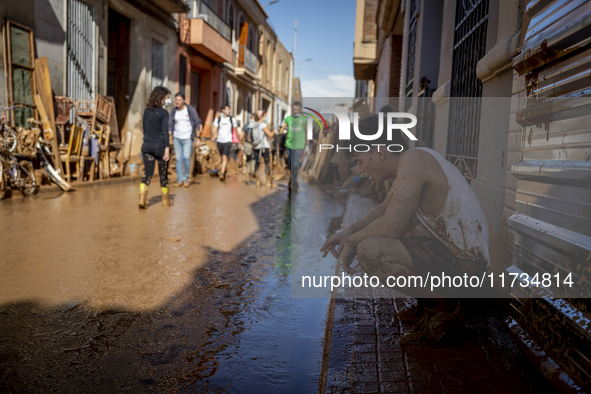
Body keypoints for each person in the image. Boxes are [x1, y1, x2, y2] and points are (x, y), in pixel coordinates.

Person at [320, 114, 490, 344]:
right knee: (377, 240)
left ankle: (444, 309)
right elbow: (383, 208)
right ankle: (428, 303)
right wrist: (346, 233)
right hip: (455, 261)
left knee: (370, 250)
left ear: (380, 152)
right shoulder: (410, 163)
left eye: (360, 160)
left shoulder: (414, 160)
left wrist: (353, 242)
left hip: (469, 270)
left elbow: (390, 226)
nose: (359, 169)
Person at [139, 86, 173, 209]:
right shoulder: (164, 113)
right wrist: (167, 149)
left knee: (147, 174)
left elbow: (145, 129)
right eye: (168, 98)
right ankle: (165, 201)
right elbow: (165, 132)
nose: (169, 100)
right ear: (162, 98)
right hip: (160, 147)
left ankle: (142, 199)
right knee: (163, 175)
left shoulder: (146, 111)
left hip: (147, 146)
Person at [169, 93, 202, 188]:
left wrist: (198, 138)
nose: (177, 102)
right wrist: (169, 135)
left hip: (188, 138)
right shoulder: (174, 111)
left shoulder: (190, 110)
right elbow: (170, 124)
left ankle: (186, 178)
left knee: (186, 157)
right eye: (176, 100)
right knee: (178, 159)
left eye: (179, 100)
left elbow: (197, 123)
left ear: (184, 100)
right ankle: (179, 180)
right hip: (177, 138)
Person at [279, 101, 307, 192]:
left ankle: (293, 181)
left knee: (295, 165)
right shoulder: (288, 119)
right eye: (294, 110)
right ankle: (293, 179)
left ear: (300, 110)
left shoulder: (304, 120)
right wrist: (281, 131)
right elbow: (282, 129)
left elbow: (307, 133)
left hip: (299, 145)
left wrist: (307, 146)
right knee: (290, 165)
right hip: (289, 145)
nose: (295, 111)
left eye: (297, 110)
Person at [212, 104, 238, 181]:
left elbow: (236, 130)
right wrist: (213, 136)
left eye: (229, 109)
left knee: (224, 157)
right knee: (222, 158)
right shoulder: (218, 119)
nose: (229, 111)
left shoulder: (232, 120)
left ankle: (222, 173)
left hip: (228, 141)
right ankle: (225, 170)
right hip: (219, 141)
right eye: (227, 109)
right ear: (223, 110)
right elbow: (214, 128)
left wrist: (238, 140)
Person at [252, 110, 275, 187]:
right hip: (264, 147)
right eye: (264, 116)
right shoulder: (262, 125)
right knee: (267, 163)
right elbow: (270, 134)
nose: (265, 117)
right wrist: (275, 129)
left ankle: (258, 181)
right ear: (261, 116)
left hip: (256, 147)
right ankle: (268, 182)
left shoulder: (254, 125)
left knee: (257, 164)